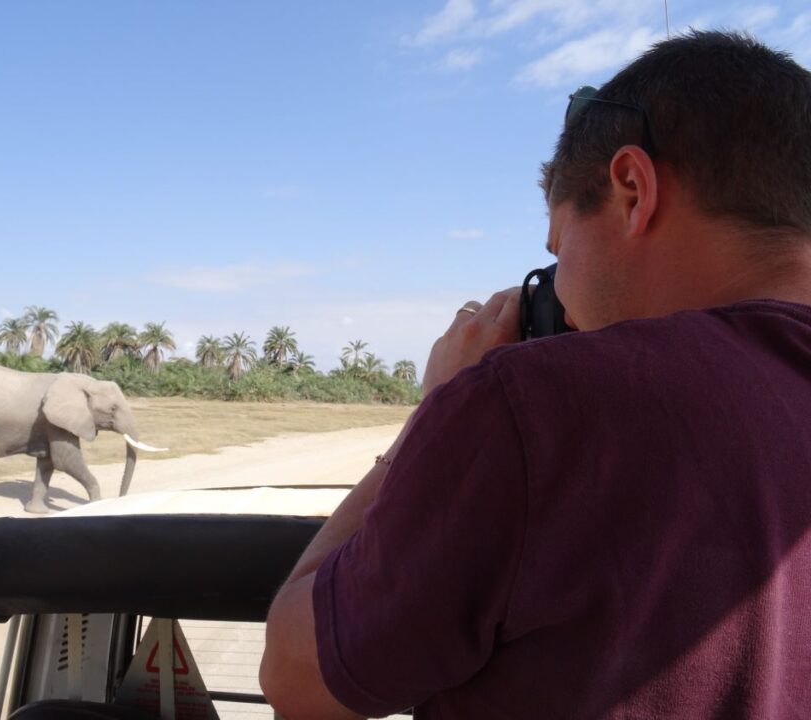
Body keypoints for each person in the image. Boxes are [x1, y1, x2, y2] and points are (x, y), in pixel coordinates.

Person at [259, 30, 811, 719]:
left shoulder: (537, 406)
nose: (557, 290)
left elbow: (294, 674)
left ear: (633, 190)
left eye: (556, 249)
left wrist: (434, 414)